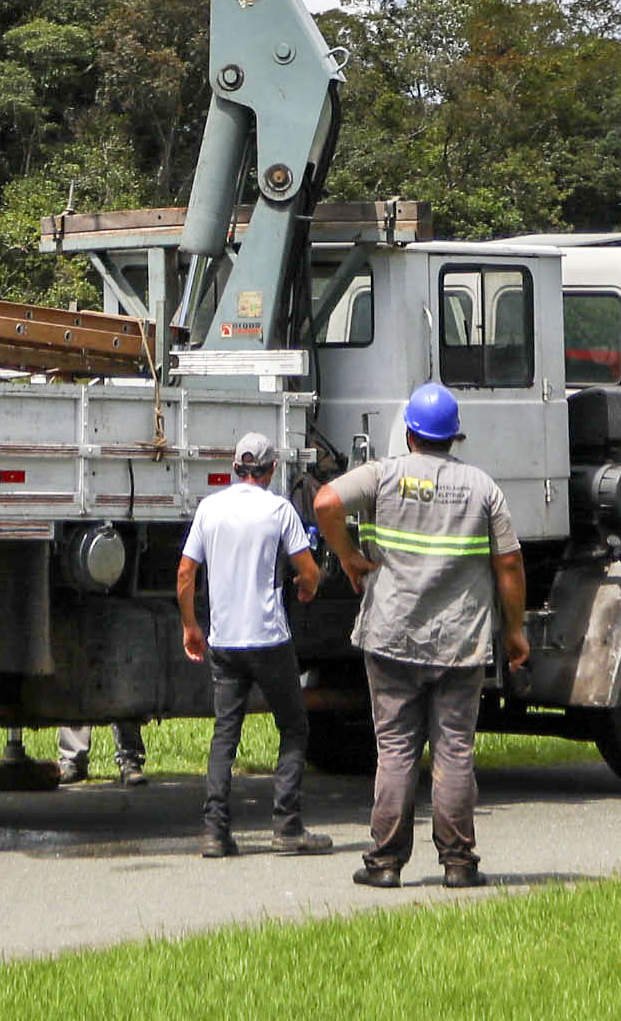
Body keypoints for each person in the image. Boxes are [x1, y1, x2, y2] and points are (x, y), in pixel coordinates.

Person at [318, 381, 524, 890]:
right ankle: (458, 863)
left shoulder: (383, 476)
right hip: (460, 641)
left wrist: (347, 555)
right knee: (454, 749)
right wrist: (515, 631)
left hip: (391, 636)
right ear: (454, 437)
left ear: (410, 434)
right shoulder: (482, 487)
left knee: (395, 749)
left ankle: (385, 864)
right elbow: (510, 564)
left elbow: (325, 501)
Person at [176, 430, 325, 857]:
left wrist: (191, 625)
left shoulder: (209, 508)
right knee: (294, 727)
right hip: (269, 638)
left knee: (226, 734)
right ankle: (287, 826)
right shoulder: (278, 510)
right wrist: (307, 588)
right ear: (272, 468)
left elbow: (186, 573)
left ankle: (214, 832)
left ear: (235, 468)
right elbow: (308, 571)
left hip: (224, 641)